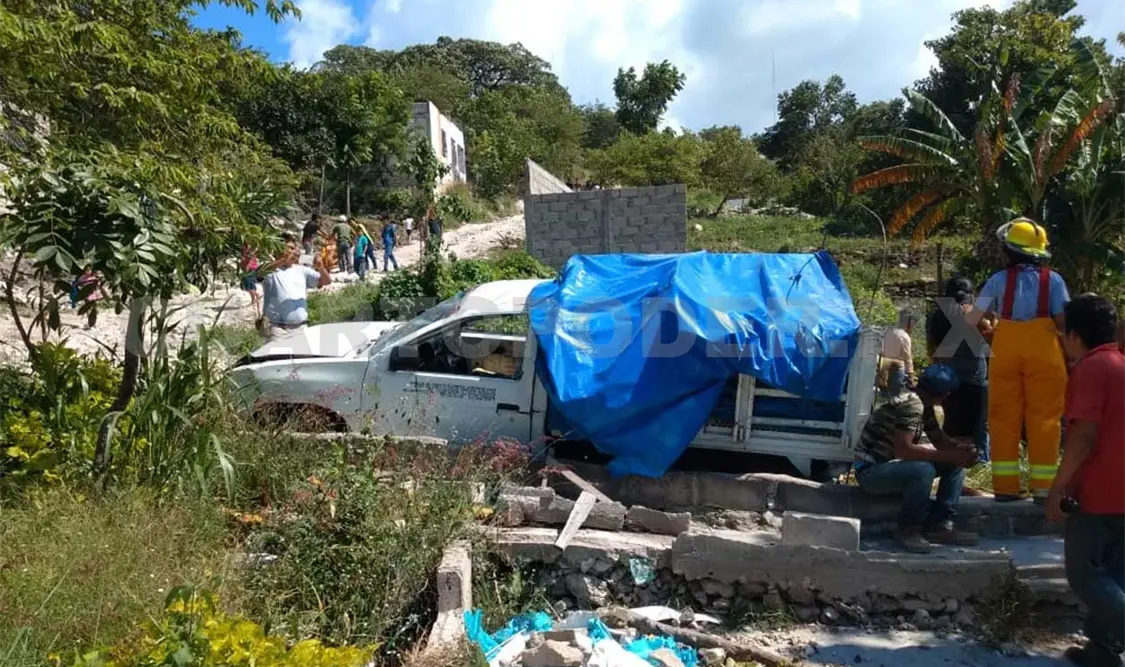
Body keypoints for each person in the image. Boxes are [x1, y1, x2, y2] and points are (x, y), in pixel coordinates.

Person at [1045, 294, 1125, 667]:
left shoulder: (1091, 369)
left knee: (1085, 576)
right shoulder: (1120, 364)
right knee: (1114, 572)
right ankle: (1103, 651)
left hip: (1097, 493)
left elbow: (1084, 436)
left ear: (1073, 335)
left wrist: (1059, 487)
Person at [976, 218, 1070, 501]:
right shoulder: (1053, 280)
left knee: (1003, 418)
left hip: (1005, 353)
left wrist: (992, 335)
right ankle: (1044, 489)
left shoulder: (997, 280)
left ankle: (1005, 488)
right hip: (1045, 354)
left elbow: (972, 318)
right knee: (1045, 419)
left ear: (1009, 251)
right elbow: (1064, 323)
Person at [855, 364, 980, 553]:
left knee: (955, 464)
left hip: (890, 467)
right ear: (945, 395)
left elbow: (939, 440)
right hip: (870, 472)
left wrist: (961, 451)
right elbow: (903, 450)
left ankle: (940, 524)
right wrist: (951, 455)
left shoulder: (923, 403)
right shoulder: (911, 405)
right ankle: (908, 529)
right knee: (923, 470)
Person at [926, 277, 993, 462]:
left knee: (951, 421)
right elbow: (991, 339)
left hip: (948, 377)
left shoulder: (937, 316)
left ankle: (951, 459)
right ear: (970, 295)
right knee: (979, 425)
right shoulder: (974, 315)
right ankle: (980, 460)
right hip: (974, 378)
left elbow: (931, 348)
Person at [260, 236, 331, 341]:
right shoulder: (271, 270)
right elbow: (259, 274)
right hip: (277, 328)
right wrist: (283, 260)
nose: (293, 251)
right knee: (279, 357)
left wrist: (320, 267)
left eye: (294, 248)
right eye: (289, 248)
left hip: (300, 327)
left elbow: (326, 281)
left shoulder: (302, 270)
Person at [879, 309, 916, 397]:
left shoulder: (887, 331)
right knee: (895, 396)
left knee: (884, 396)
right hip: (897, 370)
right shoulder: (904, 336)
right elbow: (907, 358)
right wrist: (911, 375)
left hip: (883, 368)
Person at [240, 244, 261, 315]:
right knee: (248, 286)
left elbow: (250, 261)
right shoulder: (244, 253)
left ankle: (254, 299)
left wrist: (246, 268)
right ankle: (255, 297)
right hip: (247, 270)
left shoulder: (250, 253)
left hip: (250, 271)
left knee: (249, 286)